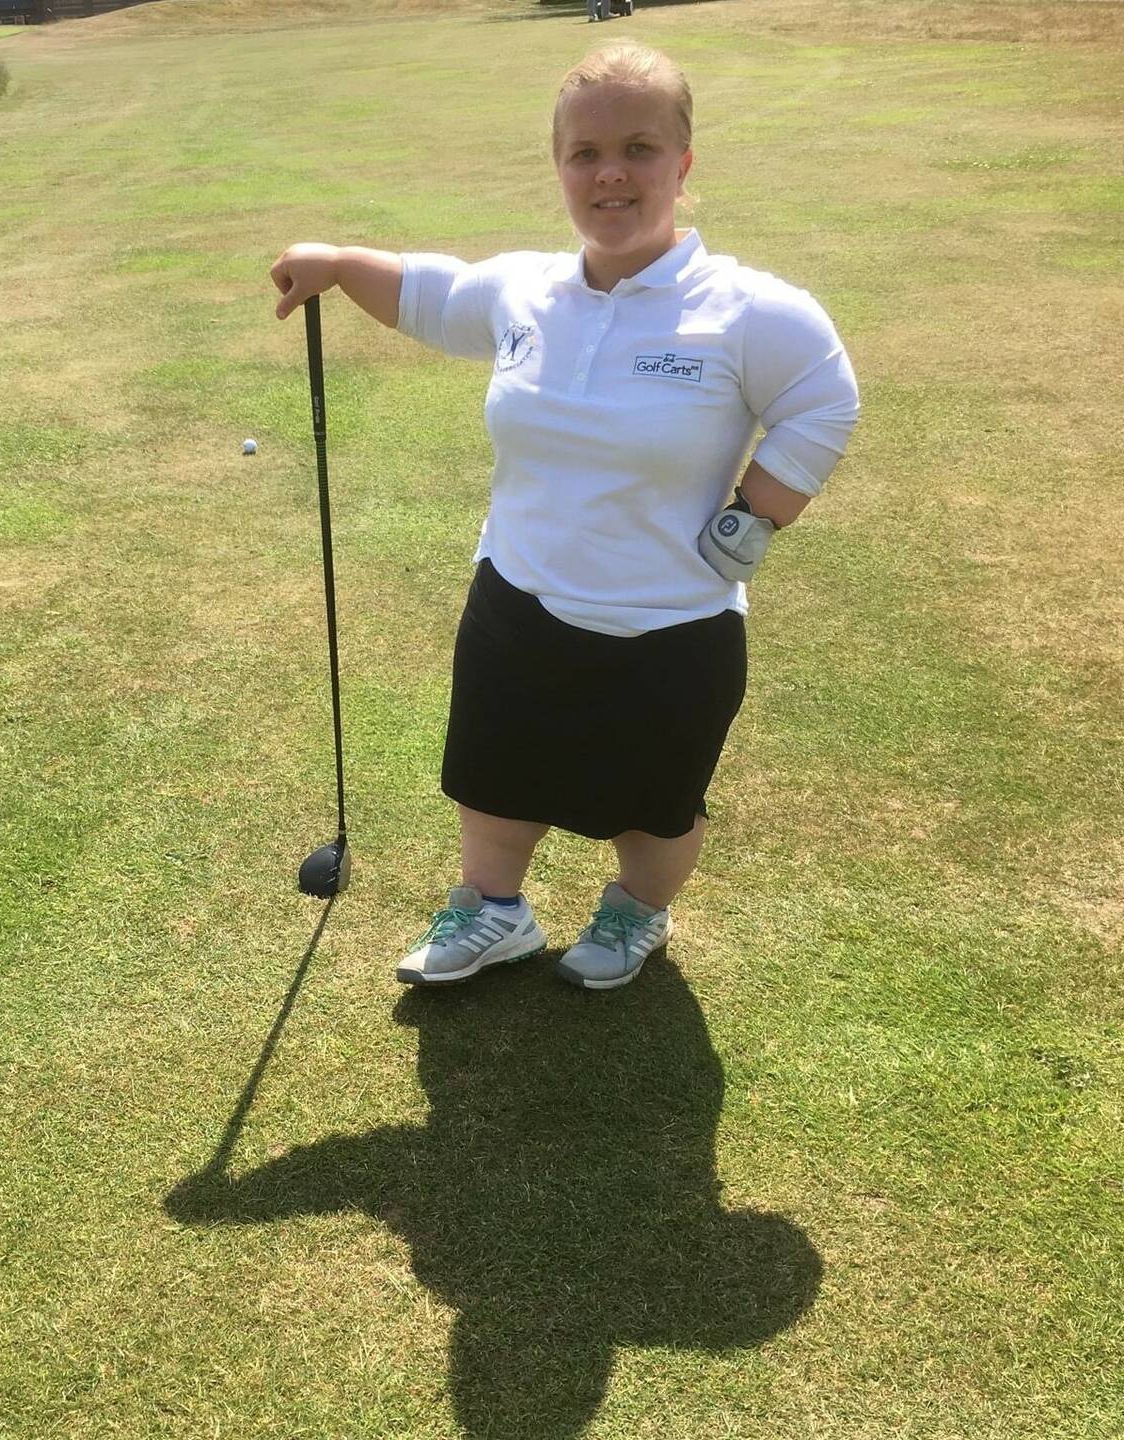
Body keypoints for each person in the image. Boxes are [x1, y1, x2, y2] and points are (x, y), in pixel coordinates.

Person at [270, 43, 859, 992]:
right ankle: (492, 913)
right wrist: (335, 264)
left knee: (654, 812)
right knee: (493, 777)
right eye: (585, 153)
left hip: (674, 621)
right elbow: (431, 293)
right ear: (560, 166)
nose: (611, 173)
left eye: (639, 148)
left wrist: (756, 515)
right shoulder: (526, 290)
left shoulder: (748, 310)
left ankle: (635, 915)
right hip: (519, 597)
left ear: (683, 163)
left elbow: (825, 395)